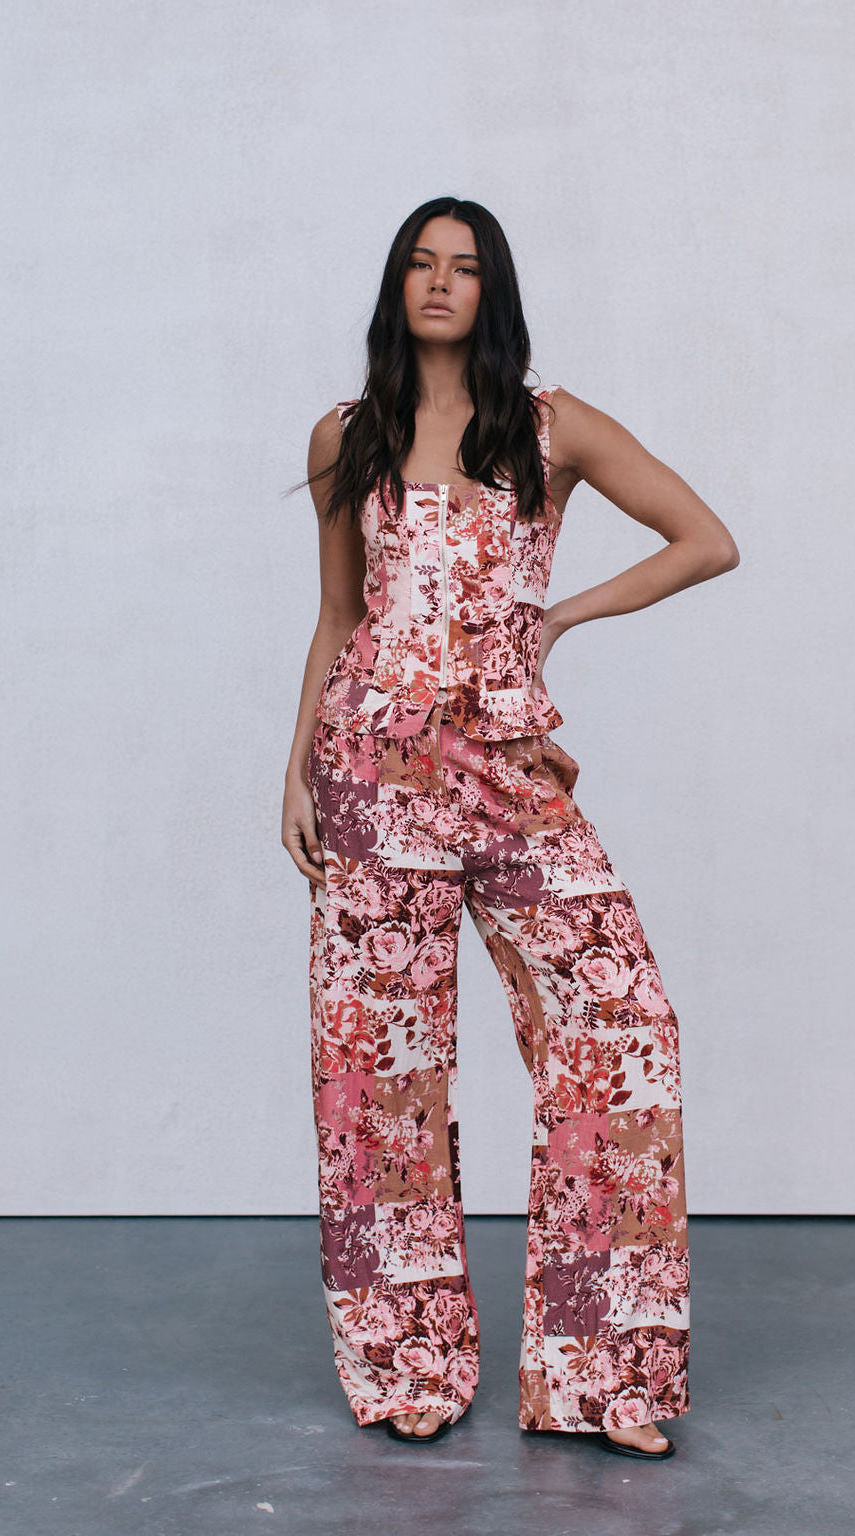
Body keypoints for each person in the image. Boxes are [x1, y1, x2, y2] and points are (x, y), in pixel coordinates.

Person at [282, 196, 739, 1457]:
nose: (440, 283)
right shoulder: (348, 435)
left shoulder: (552, 426)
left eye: (464, 267)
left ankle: (603, 1375)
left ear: (494, 290)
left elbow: (707, 540)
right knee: (379, 1079)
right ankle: (408, 1366)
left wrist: (558, 619)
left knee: (623, 1025)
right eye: (421, 265)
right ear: (397, 284)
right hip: (370, 775)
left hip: (506, 773)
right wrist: (296, 773)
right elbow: (337, 620)